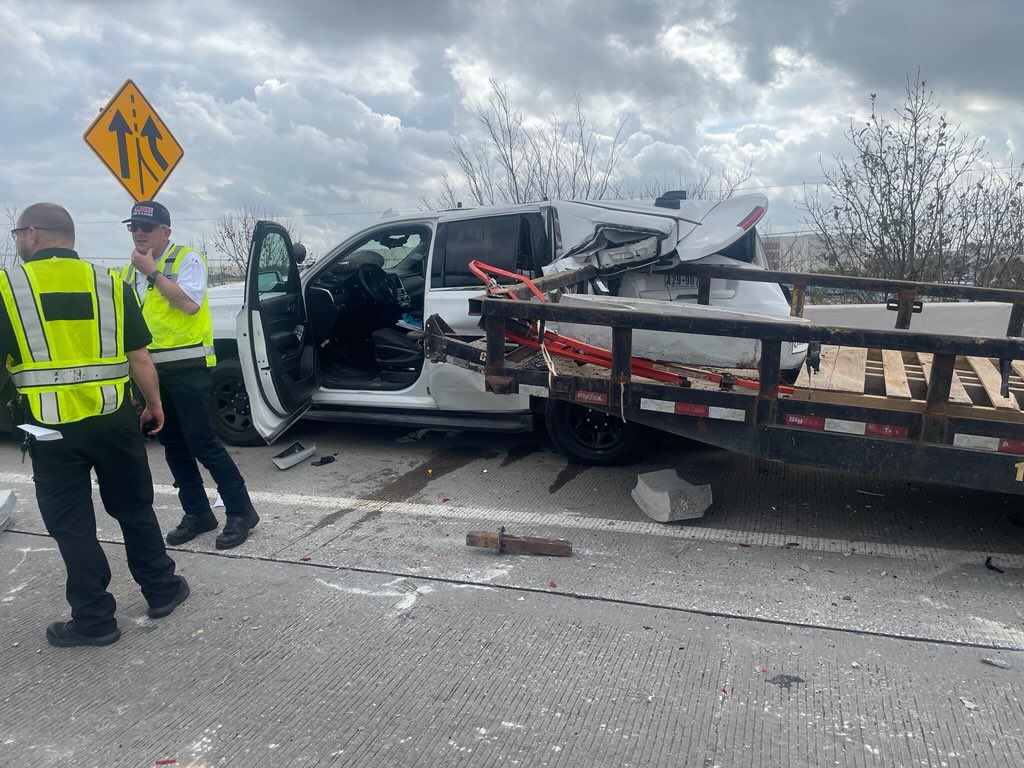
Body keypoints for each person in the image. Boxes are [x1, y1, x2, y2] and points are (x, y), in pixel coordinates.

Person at [1, 203, 189, 647]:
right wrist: (153, 404)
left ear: (31, 234)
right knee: (134, 508)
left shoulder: (7, 287)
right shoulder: (108, 282)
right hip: (115, 420)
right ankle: (162, 588)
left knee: (72, 524)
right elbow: (139, 356)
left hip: (49, 428)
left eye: (16, 235)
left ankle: (94, 619)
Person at [120, 200, 259, 549]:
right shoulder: (126, 271)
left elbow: (189, 304)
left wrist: (152, 271)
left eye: (146, 227)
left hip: (187, 368)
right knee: (172, 445)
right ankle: (198, 512)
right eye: (133, 227)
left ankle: (241, 512)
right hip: (151, 371)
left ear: (164, 231)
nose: (138, 232)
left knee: (203, 443)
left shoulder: (186, 259)